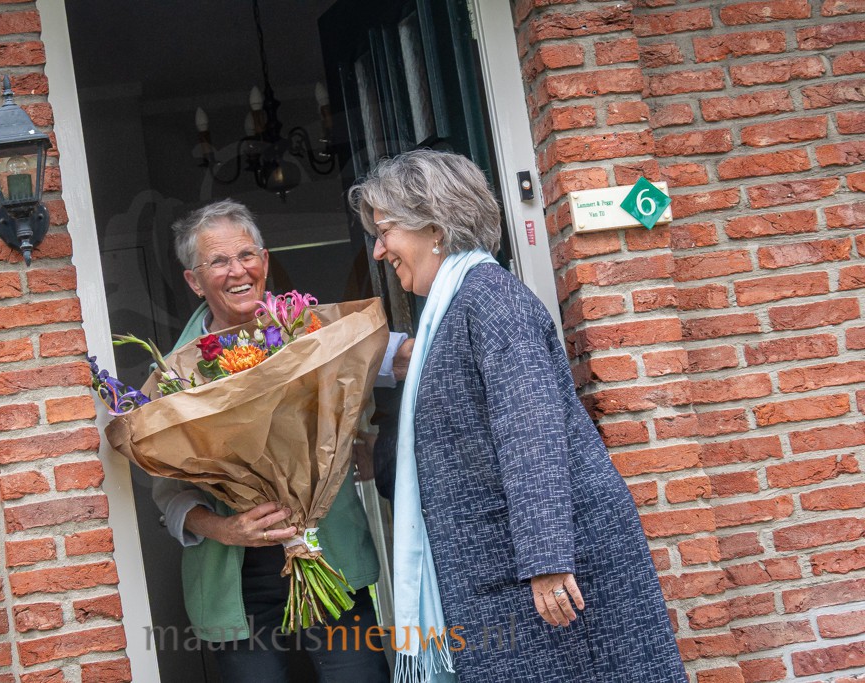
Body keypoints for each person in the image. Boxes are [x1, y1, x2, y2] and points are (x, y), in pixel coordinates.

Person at [349, 150, 687, 683]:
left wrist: (547, 560)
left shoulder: (490, 302)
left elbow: (531, 432)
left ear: (433, 226)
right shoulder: (455, 308)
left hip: (543, 576)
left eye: (385, 229)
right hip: (501, 571)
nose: (378, 248)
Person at [151, 199, 395, 683]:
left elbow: (383, 364)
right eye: (218, 261)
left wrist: (366, 441)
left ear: (264, 261)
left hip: (332, 561)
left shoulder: (314, 333)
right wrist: (223, 529)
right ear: (194, 281)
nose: (237, 271)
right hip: (238, 581)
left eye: (247, 255)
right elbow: (165, 489)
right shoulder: (171, 377)